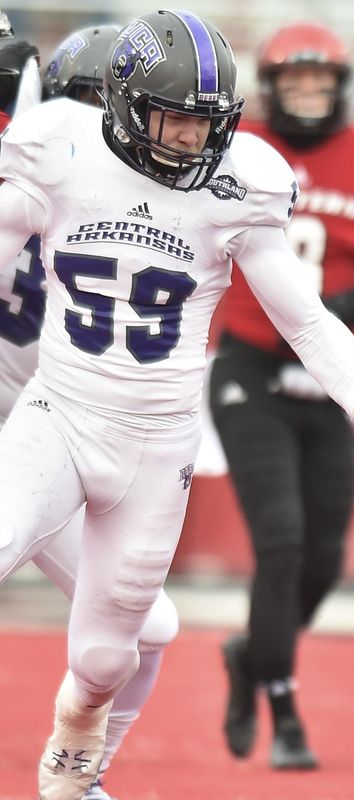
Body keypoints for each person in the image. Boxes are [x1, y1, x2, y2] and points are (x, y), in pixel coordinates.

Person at [0, 11, 354, 800]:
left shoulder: (238, 184)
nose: (192, 140)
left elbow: (308, 321)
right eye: (175, 119)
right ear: (120, 103)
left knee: (109, 656)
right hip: (60, 412)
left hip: (159, 444)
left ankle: (72, 771)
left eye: (207, 124)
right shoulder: (59, 151)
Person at [208, 21, 354, 771]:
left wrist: (321, 321)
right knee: (281, 543)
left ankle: (250, 655)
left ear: (342, 87)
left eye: (322, 83)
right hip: (250, 368)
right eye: (296, 83)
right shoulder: (239, 147)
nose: (310, 96)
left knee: (322, 560)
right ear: (272, 88)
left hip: (330, 377)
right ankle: (282, 703)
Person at [3, 23, 170, 800]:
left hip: (51, 442)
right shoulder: (28, 175)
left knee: (153, 627)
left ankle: (79, 778)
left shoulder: (160, 209)